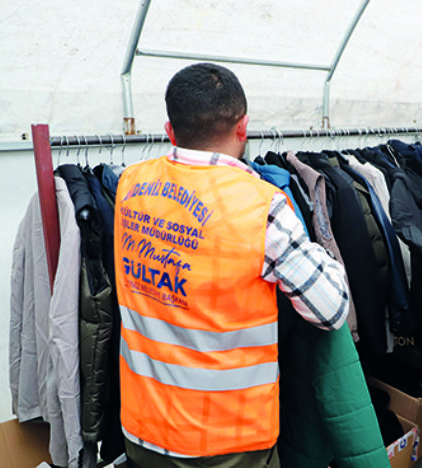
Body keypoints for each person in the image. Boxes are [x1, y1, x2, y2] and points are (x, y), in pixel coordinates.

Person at [113, 62, 349, 468]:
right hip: (227, 442)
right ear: (243, 128)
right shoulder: (262, 207)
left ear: (170, 130)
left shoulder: (129, 184)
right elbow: (332, 310)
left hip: (143, 426)